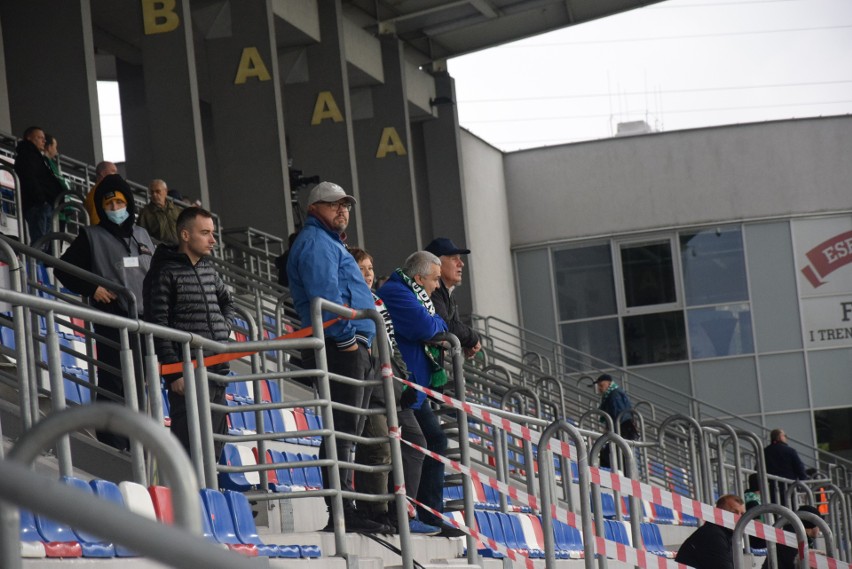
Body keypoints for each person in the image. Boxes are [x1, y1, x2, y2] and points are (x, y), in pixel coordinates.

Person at [285, 181, 384, 534]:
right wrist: (348, 342)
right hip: (342, 348)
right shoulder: (314, 243)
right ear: (315, 209)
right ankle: (342, 511)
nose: (342, 210)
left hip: (352, 346)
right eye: (333, 205)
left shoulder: (328, 242)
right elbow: (324, 299)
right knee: (341, 431)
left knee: (348, 432)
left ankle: (348, 508)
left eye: (345, 205)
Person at [54, 174, 155, 450]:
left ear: (129, 204)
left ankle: (133, 439)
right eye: (109, 204)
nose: (115, 209)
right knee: (114, 380)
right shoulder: (91, 236)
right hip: (114, 320)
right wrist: (91, 287)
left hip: (145, 322)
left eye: (120, 202)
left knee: (139, 382)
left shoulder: (143, 235)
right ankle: (111, 440)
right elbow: (63, 269)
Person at [349, 248, 439, 536]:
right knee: (378, 450)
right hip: (373, 387)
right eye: (361, 269)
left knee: (415, 441)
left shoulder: (377, 301)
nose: (368, 274)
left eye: (370, 268)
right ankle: (376, 512)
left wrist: (406, 380)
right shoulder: (350, 300)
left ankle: (403, 511)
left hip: (394, 386)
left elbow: (392, 345)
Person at [379, 250, 465, 537]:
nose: (437, 286)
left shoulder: (412, 291)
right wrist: (436, 327)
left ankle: (429, 512)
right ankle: (407, 512)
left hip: (415, 388)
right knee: (418, 443)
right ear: (418, 278)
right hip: (404, 386)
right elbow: (426, 326)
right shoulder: (396, 292)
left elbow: (437, 323)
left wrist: (436, 327)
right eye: (434, 280)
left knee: (436, 441)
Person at [143, 206, 234, 460]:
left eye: (212, 233)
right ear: (185, 235)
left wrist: (222, 325)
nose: (213, 240)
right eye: (205, 233)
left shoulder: (208, 269)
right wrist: (173, 372)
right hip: (188, 371)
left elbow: (228, 302)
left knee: (214, 447)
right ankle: (186, 496)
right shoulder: (163, 272)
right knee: (189, 446)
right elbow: (156, 324)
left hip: (217, 368)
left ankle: (205, 496)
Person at [423, 238, 481, 359]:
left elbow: (456, 325)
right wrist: (472, 338)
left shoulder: (448, 292)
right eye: (454, 259)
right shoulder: (431, 289)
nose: (461, 263)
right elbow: (445, 325)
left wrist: (466, 341)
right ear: (437, 264)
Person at [13, 126, 66, 246]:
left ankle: (38, 264)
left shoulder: (35, 156)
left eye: (44, 138)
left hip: (43, 204)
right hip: (37, 205)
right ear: (29, 138)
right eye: (39, 137)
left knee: (45, 242)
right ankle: (36, 265)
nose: (43, 141)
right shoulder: (27, 156)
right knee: (40, 241)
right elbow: (29, 179)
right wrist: (41, 200)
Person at [674, 494, 745, 569]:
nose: (739, 518)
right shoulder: (713, 535)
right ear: (720, 512)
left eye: (742, 514)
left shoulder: (722, 533)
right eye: (734, 513)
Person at [593, 373, 638, 468]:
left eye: (601, 385)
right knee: (614, 456)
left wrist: (611, 427)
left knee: (611, 456)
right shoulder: (614, 393)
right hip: (623, 429)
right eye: (598, 386)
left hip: (623, 429)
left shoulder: (614, 394)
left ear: (608, 383)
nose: (599, 389)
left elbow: (618, 414)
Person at [760, 504, 822, 569]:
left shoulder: (793, 535)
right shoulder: (791, 540)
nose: (821, 528)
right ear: (812, 524)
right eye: (819, 524)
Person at [764, 428, 808, 506]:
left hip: (771, 488)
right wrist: (803, 482)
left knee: (775, 510)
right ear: (780, 437)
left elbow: (758, 468)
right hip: (789, 487)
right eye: (785, 435)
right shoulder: (790, 451)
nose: (786, 438)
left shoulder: (765, 452)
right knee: (791, 510)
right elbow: (799, 468)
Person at [137, 179, 180, 245]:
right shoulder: (145, 213)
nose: (154, 194)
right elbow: (142, 235)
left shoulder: (176, 210)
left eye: (158, 191)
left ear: (165, 191)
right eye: (152, 192)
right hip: (161, 250)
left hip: (180, 249)